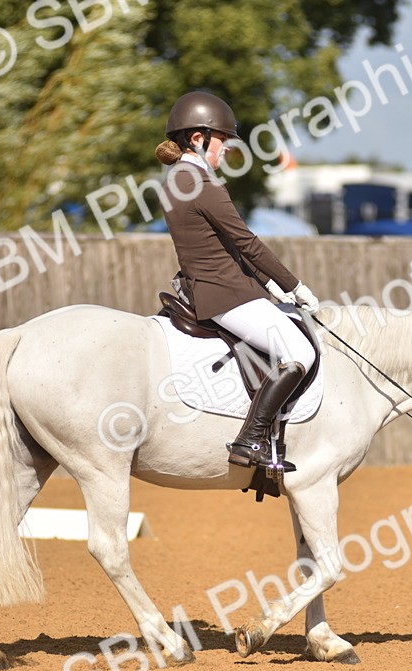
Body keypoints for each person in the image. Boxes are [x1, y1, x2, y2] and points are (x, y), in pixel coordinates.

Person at [156, 90, 319, 469]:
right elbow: (246, 242)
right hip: (226, 295)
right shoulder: (201, 184)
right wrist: (294, 285)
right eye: (223, 139)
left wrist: (273, 286)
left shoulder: (175, 180)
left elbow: (227, 245)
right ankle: (251, 439)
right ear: (198, 138)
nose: (227, 148)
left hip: (215, 288)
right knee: (302, 353)